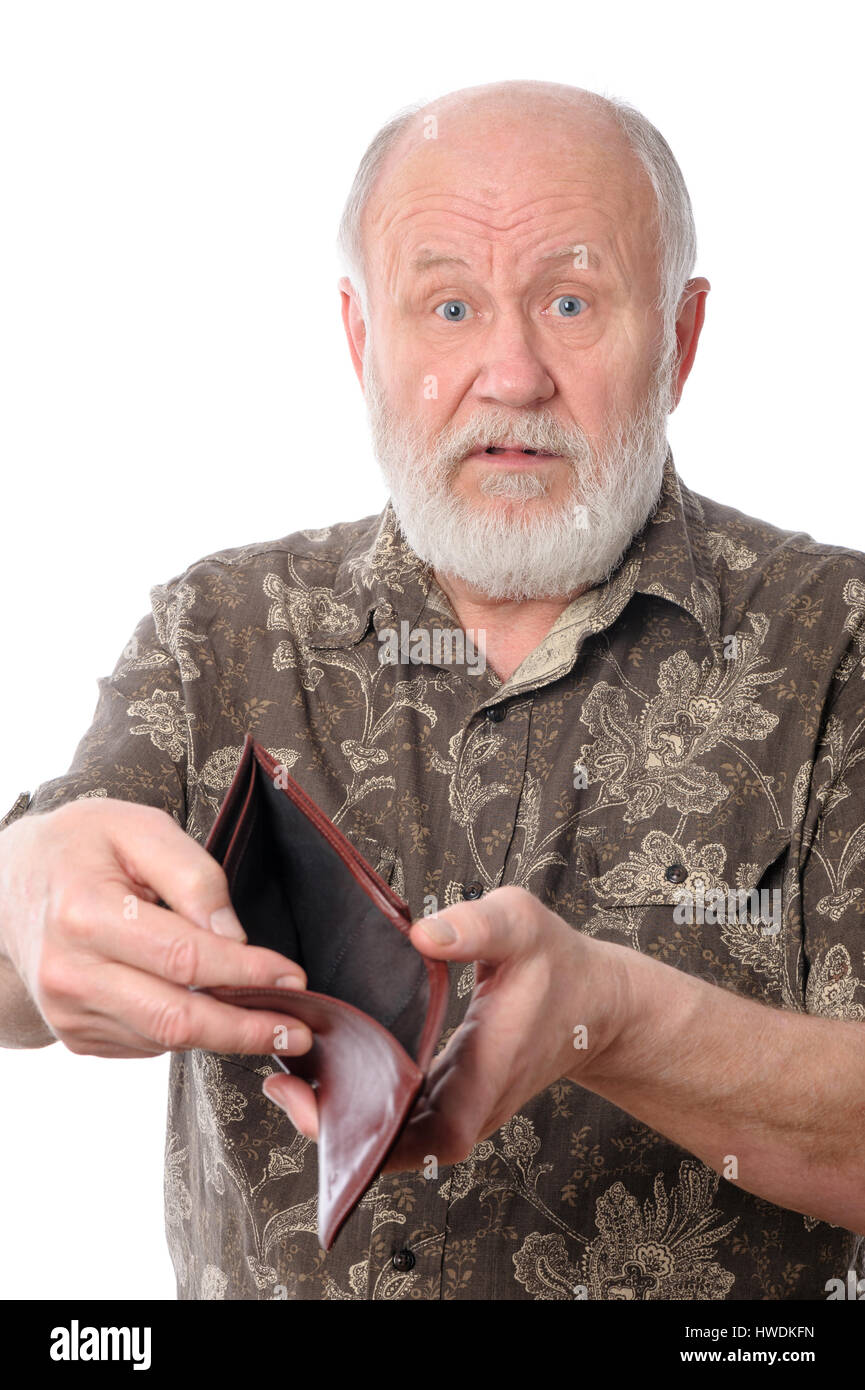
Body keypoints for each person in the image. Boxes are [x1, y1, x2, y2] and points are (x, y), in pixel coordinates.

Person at [2, 80, 864, 1301]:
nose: (510, 373)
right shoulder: (222, 631)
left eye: (571, 301)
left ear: (679, 337)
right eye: (449, 305)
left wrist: (611, 1018)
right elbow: (23, 967)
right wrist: (22, 892)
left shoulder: (842, 643)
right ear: (364, 341)